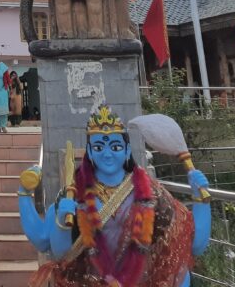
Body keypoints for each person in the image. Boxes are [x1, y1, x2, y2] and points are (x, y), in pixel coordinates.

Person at [18, 104, 211, 287]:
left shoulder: (151, 192)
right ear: (90, 153)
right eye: (99, 147)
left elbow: (195, 244)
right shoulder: (73, 193)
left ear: (127, 151)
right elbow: (53, 248)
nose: (107, 154)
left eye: (116, 147)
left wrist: (201, 199)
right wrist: (25, 195)